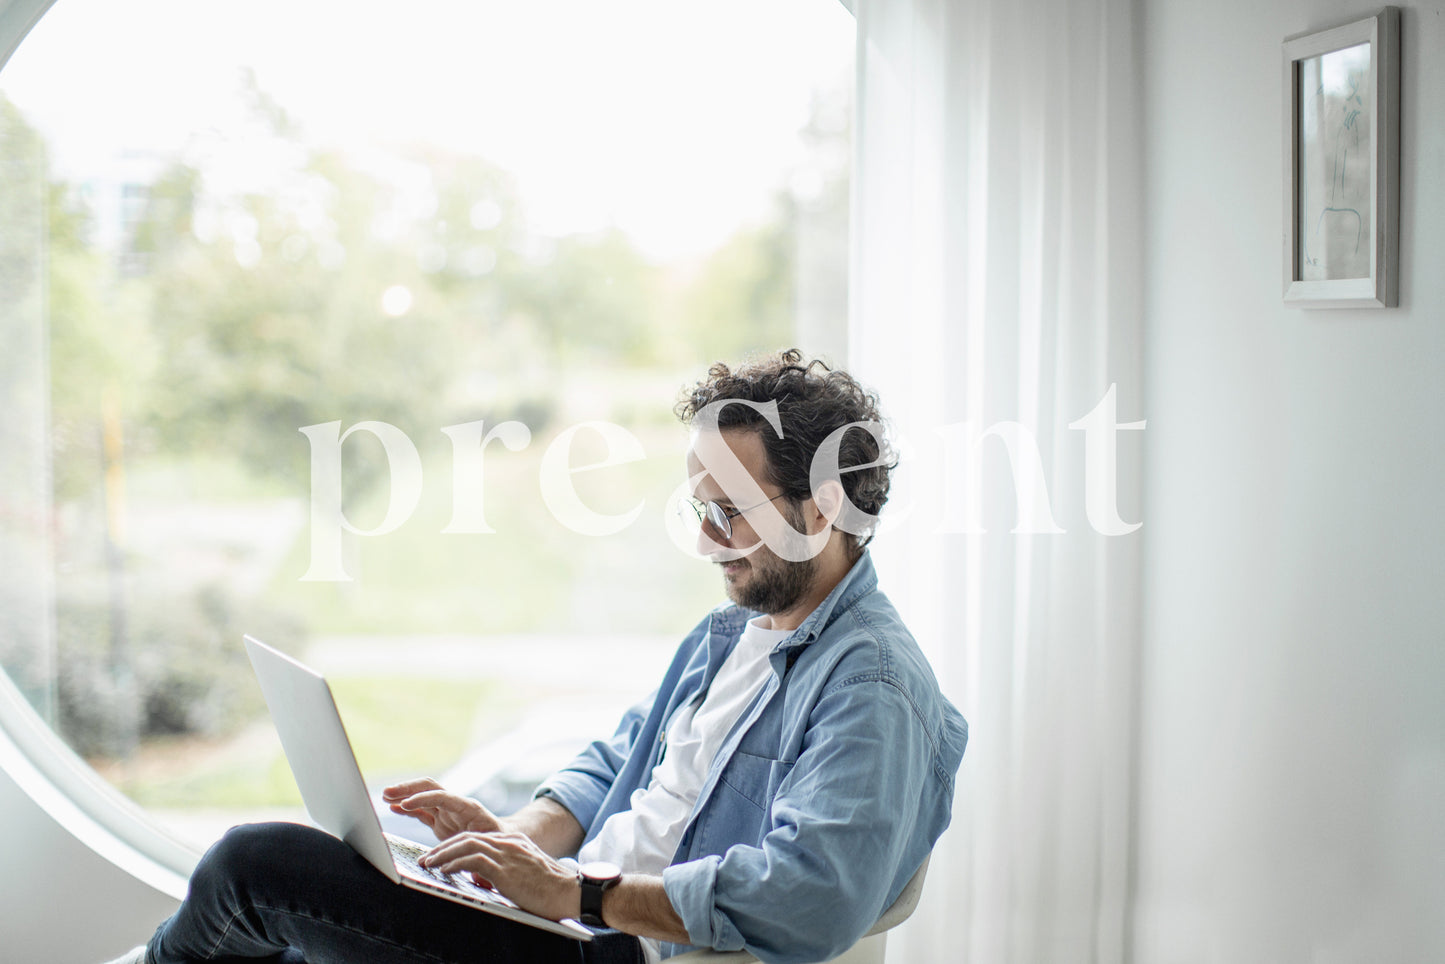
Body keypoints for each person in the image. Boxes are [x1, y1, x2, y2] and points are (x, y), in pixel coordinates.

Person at [104, 349, 968, 964]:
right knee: (294, 934)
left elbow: (812, 896)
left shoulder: (872, 688)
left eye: (729, 512)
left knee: (258, 867)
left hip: (605, 946)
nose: (707, 543)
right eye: (696, 510)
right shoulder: (730, 634)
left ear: (819, 512)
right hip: (568, 917)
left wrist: (573, 894)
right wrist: (512, 842)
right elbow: (617, 761)